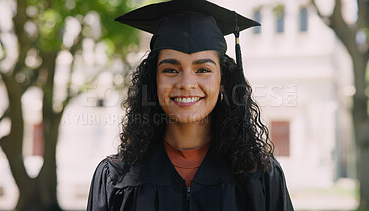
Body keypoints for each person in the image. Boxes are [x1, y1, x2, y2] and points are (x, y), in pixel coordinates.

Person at [87, 0, 294, 210]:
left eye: (203, 70)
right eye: (171, 70)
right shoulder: (116, 179)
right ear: (153, 80)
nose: (186, 84)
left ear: (223, 81)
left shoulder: (260, 178)